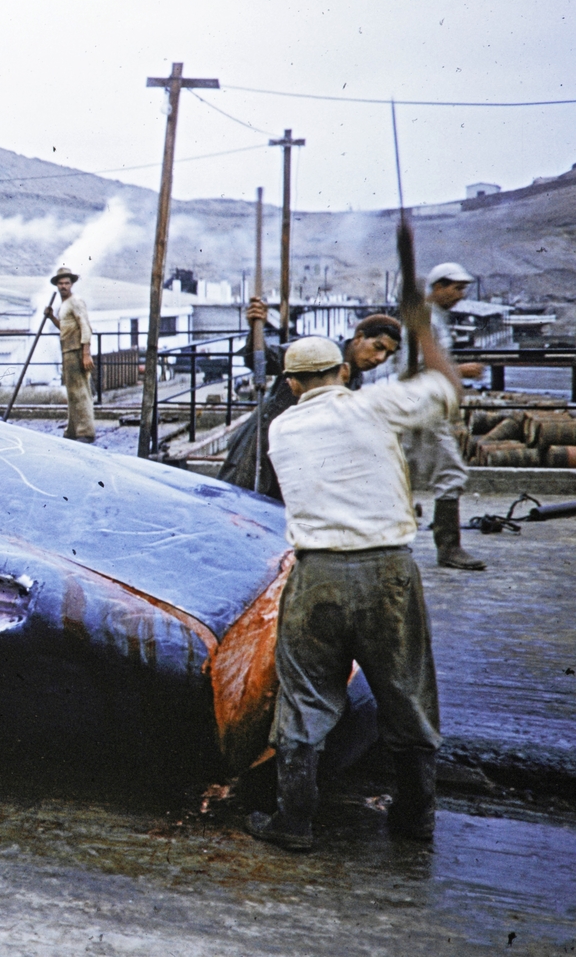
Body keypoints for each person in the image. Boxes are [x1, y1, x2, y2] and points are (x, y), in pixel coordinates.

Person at [245, 318, 460, 852]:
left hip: (316, 573)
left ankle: (293, 820)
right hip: (387, 570)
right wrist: (423, 333)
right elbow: (443, 391)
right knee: (405, 691)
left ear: (292, 384)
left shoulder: (282, 428)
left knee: (304, 697)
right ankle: (416, 816)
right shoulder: (373, 404)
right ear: (343, 371)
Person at [218, 307, 402, 499]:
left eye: (388, 354)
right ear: (359, 338)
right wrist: (256, 327)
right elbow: (264, 360)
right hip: (259, 450)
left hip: (297, 459)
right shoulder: (315, 350)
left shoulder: (355, 380)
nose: (380, 359)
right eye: (378, 347)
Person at [400, 262, 486, 570]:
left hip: (421, 407)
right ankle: (448, 547)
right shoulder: (424, 320)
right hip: (421, 408)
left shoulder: (433, 318)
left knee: (401, 475)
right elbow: (415, 366)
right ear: (439, 287)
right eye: (457, 288)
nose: (461, 295)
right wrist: (459, 371)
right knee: (451, 473)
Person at [43, 266, 95, 442]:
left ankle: (86, 432)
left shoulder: (75, 301)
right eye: (60, 283)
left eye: (67, 283)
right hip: (67, 350)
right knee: (72, 393)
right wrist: (51, 317)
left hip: (76, 351)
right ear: (57, 285)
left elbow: (85, 327)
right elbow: (65, 329)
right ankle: (73, 430)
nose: (64, 286)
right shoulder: (64, 305)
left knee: (80, 392)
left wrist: (86, 353)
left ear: (71, 284)